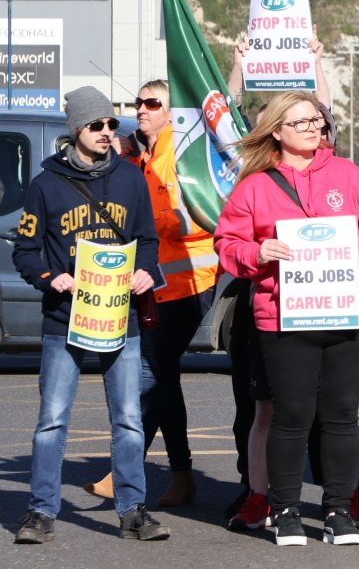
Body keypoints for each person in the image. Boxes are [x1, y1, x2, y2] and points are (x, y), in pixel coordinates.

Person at [215, 90, 359, 546]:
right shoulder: (255, 185)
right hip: (283, 318)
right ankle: (285, 509)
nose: (314, 128)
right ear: (276, 131)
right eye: (301, 123)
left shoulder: (346, 174)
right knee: (290, 417)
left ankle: (339, 510)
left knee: (342, 417)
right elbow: (226, 244)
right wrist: (256, 251)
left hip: (346, 314)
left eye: (317, 120)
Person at [13, 87, 170, 543]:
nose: (107, 132)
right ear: (76, 130)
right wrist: (50, 278)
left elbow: (148, 239)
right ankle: (40, 511)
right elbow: (26, 249)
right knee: (52, 420)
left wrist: (145, 270)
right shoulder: (46, 184)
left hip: (120, 318)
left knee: (127, 417)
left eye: (111, 125)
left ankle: (132, 510)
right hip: (65, 319)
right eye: (96, 125)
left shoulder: (129, 178)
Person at [85, 80, 219, 507]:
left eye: (151, 103)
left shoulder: (181, 155)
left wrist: (147, 220)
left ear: (170, 112)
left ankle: (126, 467)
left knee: (151, 371)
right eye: (138, 103)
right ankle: (182, 475)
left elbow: (193, 218)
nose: (141, 109)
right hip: (157, 284)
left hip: (194, 281)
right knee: (166, 376)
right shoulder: (140, 157)